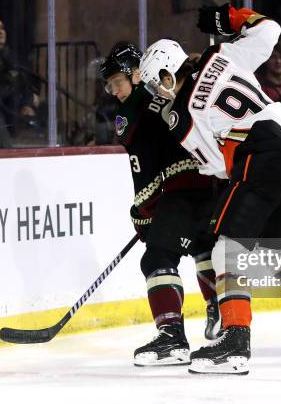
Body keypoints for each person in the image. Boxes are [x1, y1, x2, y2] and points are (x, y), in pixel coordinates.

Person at [139, 4, 281, 375]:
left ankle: (235, 342)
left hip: (260, 160)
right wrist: (230, 17)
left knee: (227, 249)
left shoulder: (181, 114)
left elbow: (216, 164)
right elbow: (270, 30)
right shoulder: (221, 55)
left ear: (165, 73)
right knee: (280, 248)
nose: (155, 92)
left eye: (152, 84)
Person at [99, 43, 221, 366]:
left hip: (185, 190)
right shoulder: (174, 85)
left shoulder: (131, 113)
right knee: (204, 246)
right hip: (216, 181)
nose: (114, 91)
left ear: (136, 74)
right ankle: (220, 312)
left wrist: (142, 212)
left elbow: (146, 170)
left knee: (156, 256)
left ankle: (172, 337)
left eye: (117, 81)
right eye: (109, 85)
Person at [0, 14, 40, 148]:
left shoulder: (9, 58)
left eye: (2, 28)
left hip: (8, 119)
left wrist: (27, 105)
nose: (0, 32)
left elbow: (24, 86)